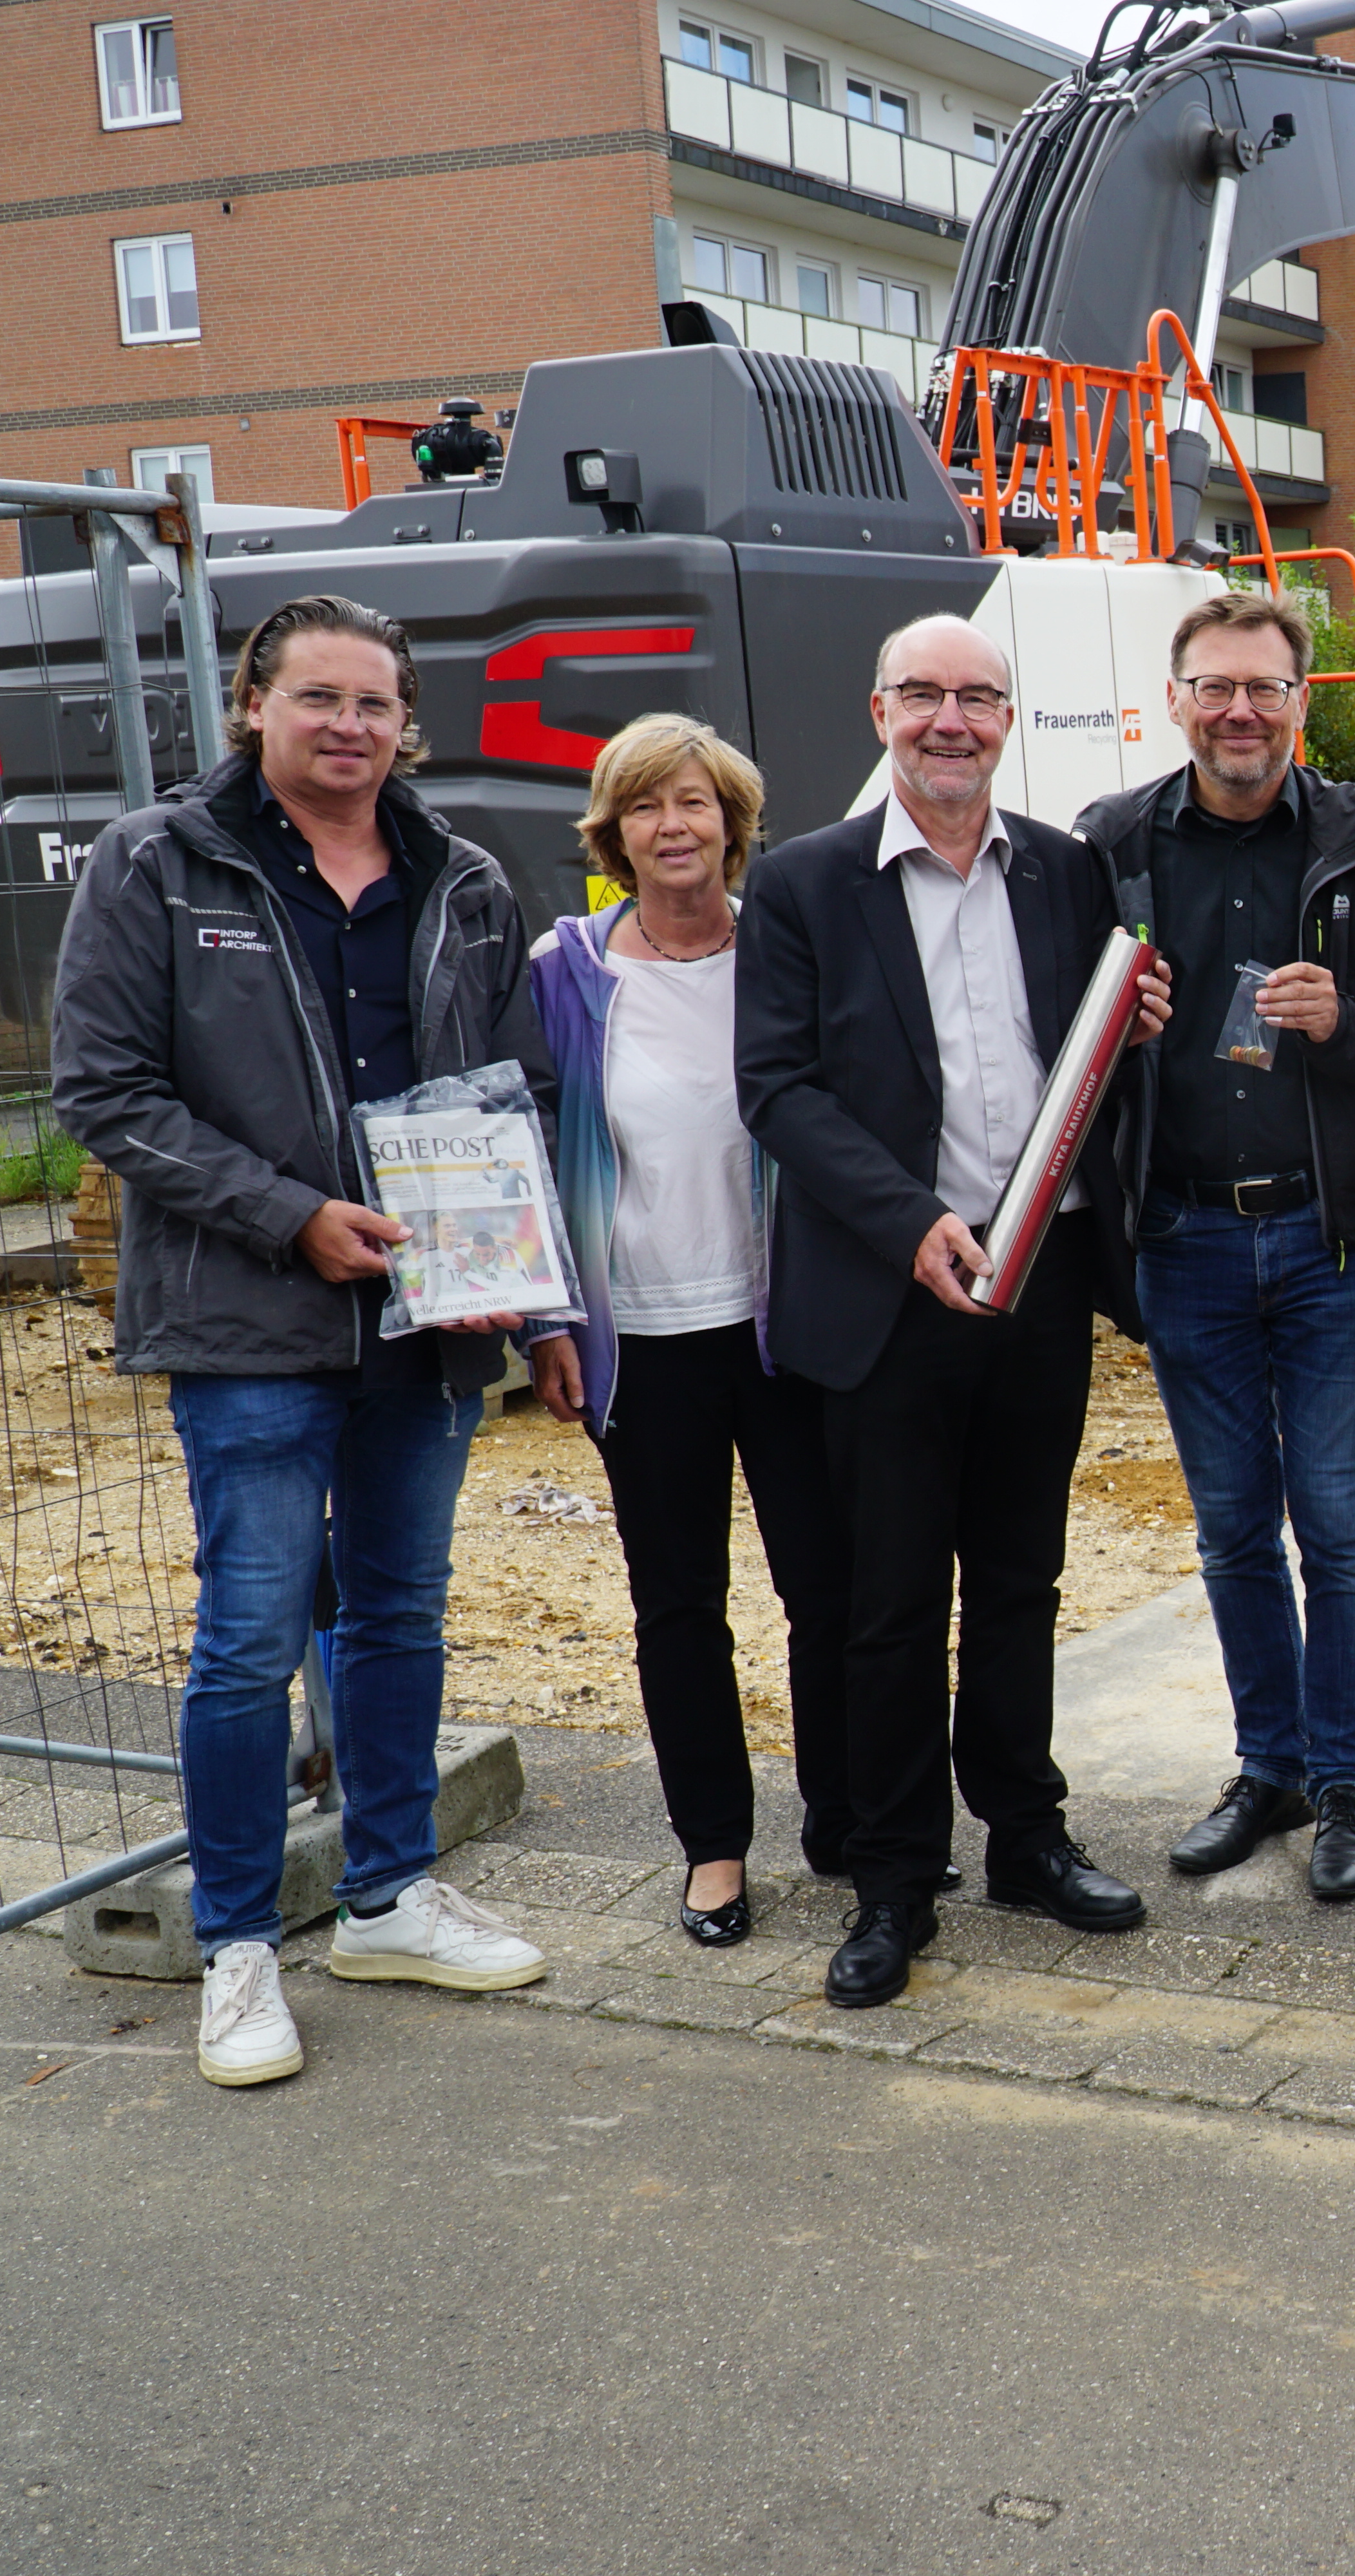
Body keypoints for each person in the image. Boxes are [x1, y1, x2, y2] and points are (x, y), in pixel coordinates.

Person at [52, 592, 554, 2087]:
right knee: (251, 1638)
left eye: (374, 702)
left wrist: (509, 1262)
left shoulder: (463, 877)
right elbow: (107, 1090)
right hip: (250, 1319)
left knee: (399, 1613)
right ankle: (238, 1944)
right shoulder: (160, 863)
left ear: (407, 723)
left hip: (428, 1321)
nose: (349, 725)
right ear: (255, 704)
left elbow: (515, 1083)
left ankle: (389, 1895)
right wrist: (291, 1216)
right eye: (319, 697)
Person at [739, 612, 1153, 2010]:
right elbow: (778, 1087)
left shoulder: (1068, 869)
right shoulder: (802, 883)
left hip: (1042, 1277)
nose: (951, 721)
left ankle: (1026, 1835)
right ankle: (897, 1876)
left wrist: (1134, 1026)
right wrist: (908, 1221)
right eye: (923, 695)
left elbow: (1088, 1054)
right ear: (881, 713)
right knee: (893, 1599)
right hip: (889, 1290)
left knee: (1024, 1580)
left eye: (978, 697)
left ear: (1008, 719)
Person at [1081, 590, 1355, 1906]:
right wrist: (1117, 1027)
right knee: (1231, 1531)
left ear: (1300, 701)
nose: (1240, 711)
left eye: (1265, 688)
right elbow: (1060, 1037)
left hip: (1326, 1239)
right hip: (1184, 1236)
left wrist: (1345, 1020)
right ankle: (1267, 1765)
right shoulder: (1111, 842)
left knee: (1338, 1527)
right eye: (1216, 687)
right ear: (1176, 701)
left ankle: (1345, 1781)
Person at [525, 714, 853, 1947]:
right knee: (679, 1605)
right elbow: (528, 1146)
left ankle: (847, 1817)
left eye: (696, 802)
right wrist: (548, 1319)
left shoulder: (788, 948)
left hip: (789, 1330)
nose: (674, 826)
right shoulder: (567, 972)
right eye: (647, 805)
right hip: (644, 1340)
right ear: (613, 833)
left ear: (733, 823)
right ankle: (714, 1848)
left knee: (829, 1588)